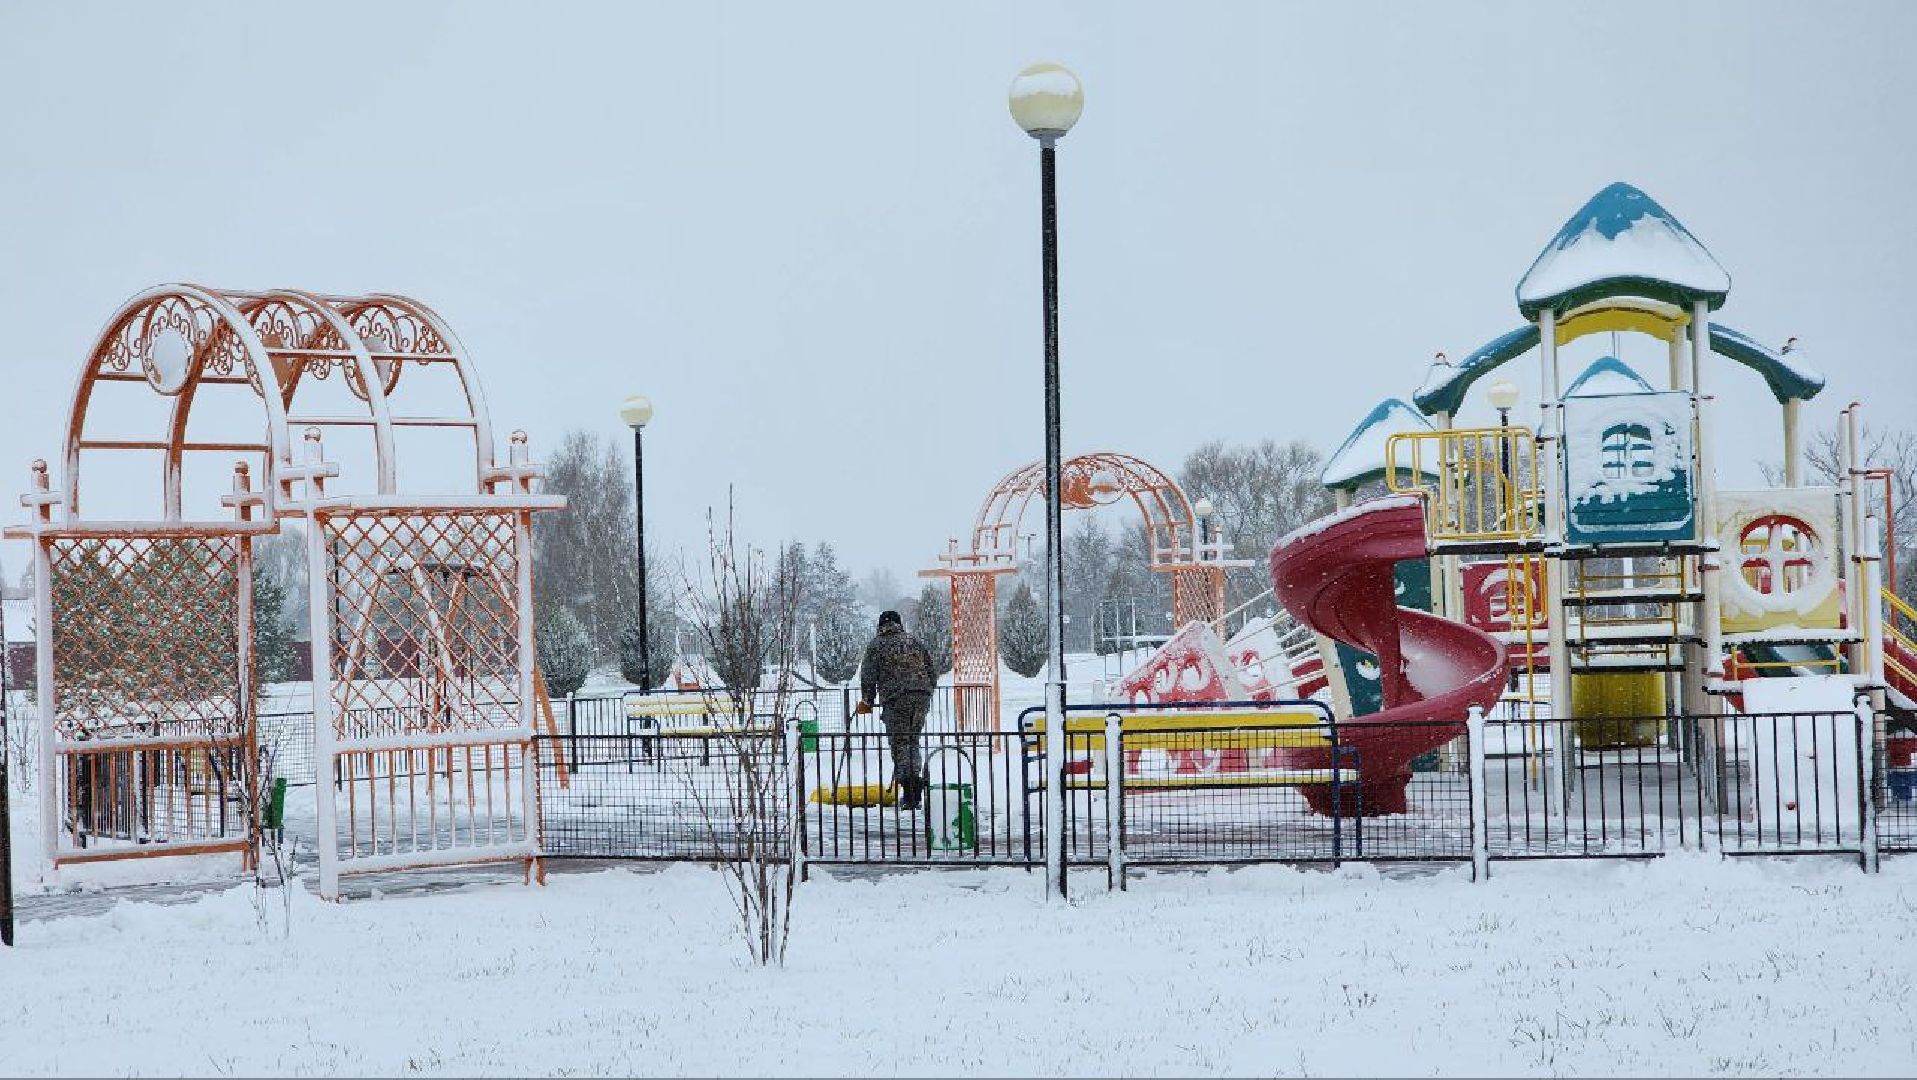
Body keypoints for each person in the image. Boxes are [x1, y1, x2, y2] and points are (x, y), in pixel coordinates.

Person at [855, 609, 936, 811]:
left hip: (896, 699)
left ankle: (910, 789)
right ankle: (914, 779)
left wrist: (867, 701)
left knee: (900, 742)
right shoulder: (913, 641)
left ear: (881, 625)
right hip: (921, 696)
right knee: (912, 740)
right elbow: (931, 672)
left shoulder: (877, 645)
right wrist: (924, 692)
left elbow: (868, 676)